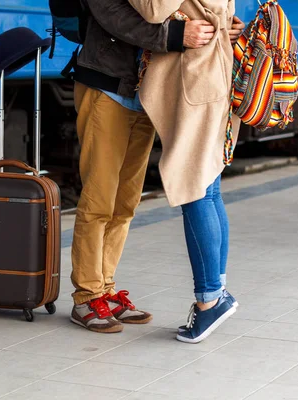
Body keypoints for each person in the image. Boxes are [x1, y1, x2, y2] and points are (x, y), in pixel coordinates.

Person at [68, 0, 222, 333]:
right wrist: (175, 35)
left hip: (146, 92)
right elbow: (114, 17)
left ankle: (106, 288)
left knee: (125, 202)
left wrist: (221, 25)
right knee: (99, 198)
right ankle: (86, 296)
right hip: (106, 86)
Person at [127, 0, 245, 343]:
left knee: (193, 187)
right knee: (208, 188)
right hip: (214, 71)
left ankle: (209, 301)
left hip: (196, 78)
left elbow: (153, 9)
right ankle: (217, 291)